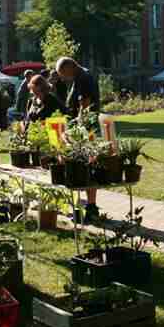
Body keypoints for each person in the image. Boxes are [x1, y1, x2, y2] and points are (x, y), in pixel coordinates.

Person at [56, 57, 101, 222]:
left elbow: (85, 105)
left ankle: (90, 207)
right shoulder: (80, 76)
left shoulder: (83, 78)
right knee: (79, 169)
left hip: (84, 131)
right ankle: (83, 206)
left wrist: (76, 131)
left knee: (85, 168)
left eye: (63, 74)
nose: (63, 78)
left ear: (70, 68)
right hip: (81, 130)